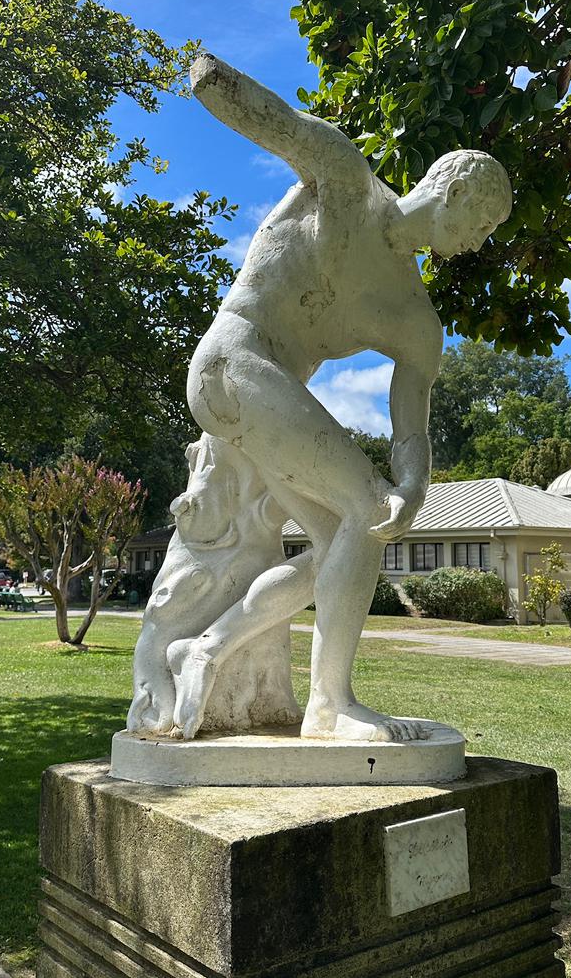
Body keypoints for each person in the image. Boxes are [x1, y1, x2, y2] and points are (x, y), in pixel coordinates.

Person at [162, 53, 511, 743]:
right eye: (484, 222)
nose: (480, 243)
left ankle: (203, 649)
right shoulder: (348, 184)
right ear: (454, 191)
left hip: (264, 400)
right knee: (360, 504)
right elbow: (282, 124)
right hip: (233, 361)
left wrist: (412, 486)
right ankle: (330, 707)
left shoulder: (416, 320)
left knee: (337, 546)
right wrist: (209, 78)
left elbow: (410, 421)